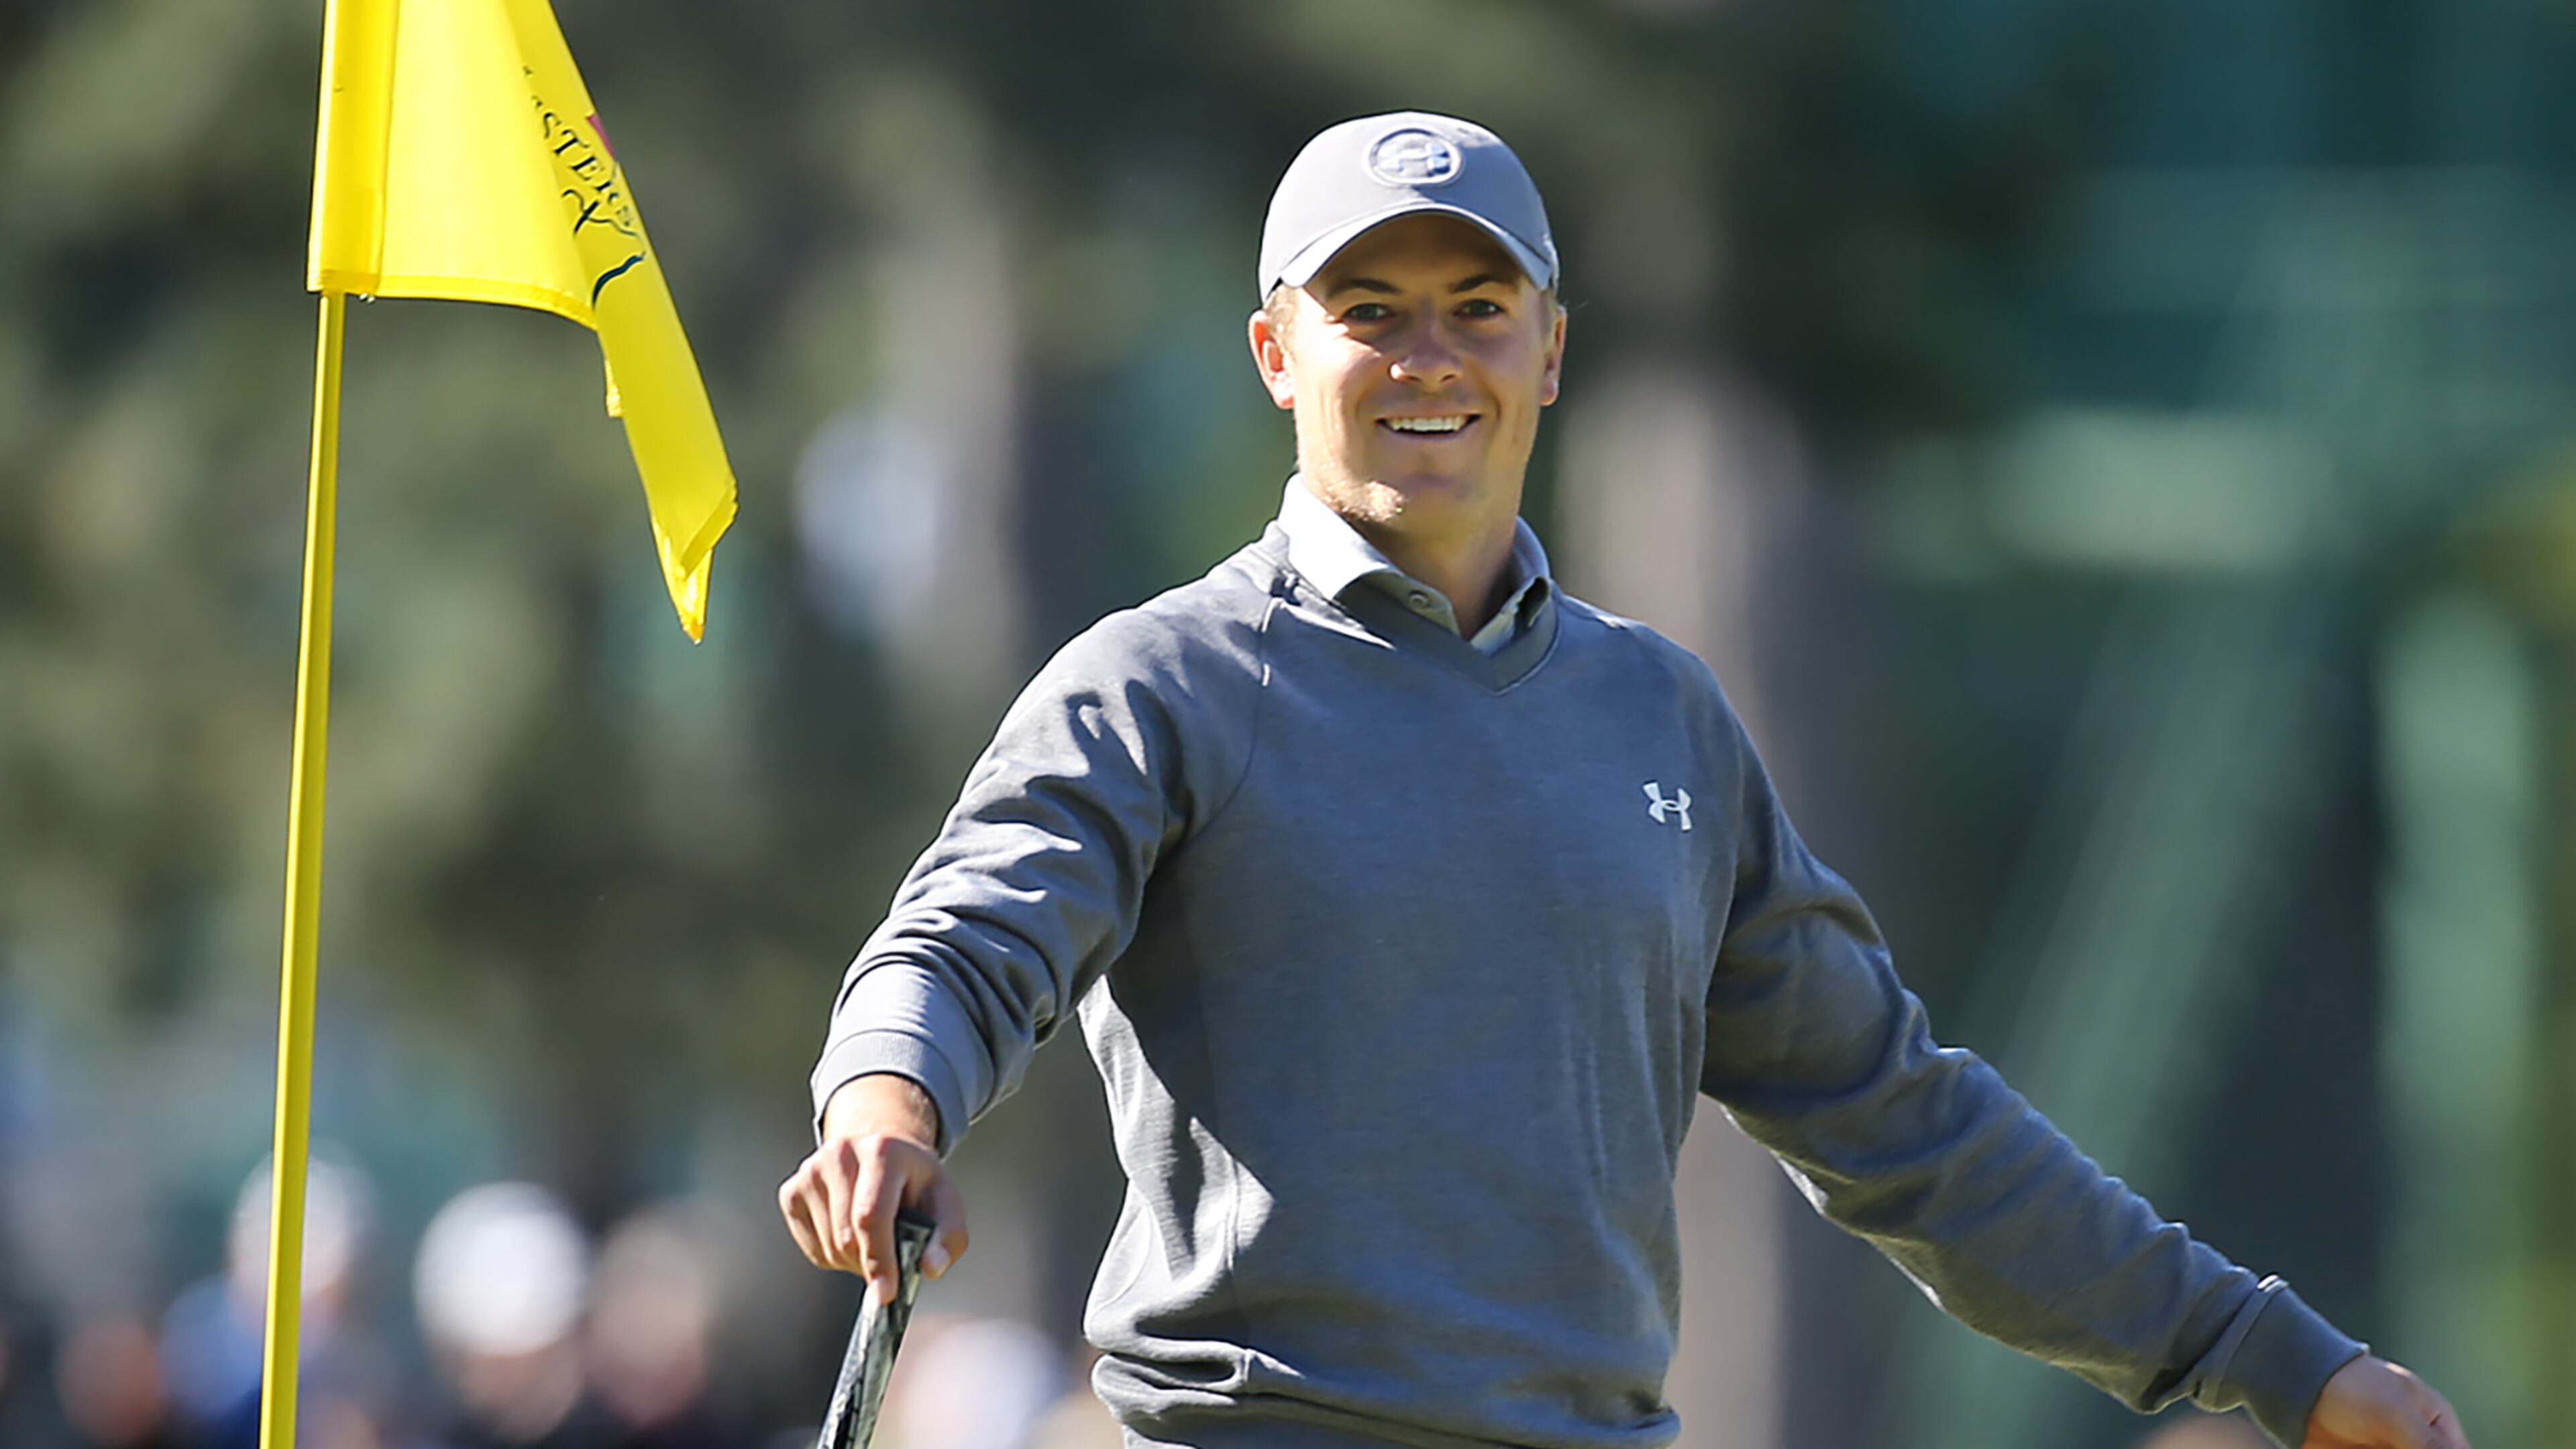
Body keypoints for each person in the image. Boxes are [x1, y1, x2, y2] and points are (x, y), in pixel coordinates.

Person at [777, 112, 2468, 1449]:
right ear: (1277, 355)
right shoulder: (1167, 681)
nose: (1426, 358)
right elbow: (965, 937)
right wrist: (886, 1105)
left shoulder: (1657, 717)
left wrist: (2268, 1359)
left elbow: (1907, 1124)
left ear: (1553, 351)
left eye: (1476, 310)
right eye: (1368, 314)